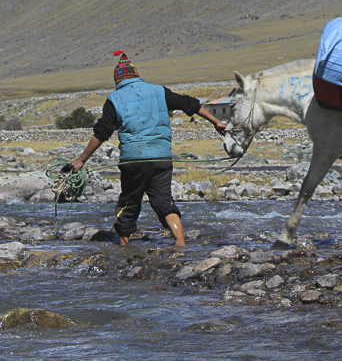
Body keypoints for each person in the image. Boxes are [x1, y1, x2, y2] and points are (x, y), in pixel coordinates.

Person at [70, 51, 227, 246]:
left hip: (133, 162)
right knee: (164, 202)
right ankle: (181, 244)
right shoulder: (158, 91)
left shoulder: (115, 98)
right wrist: (216, 122)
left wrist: (82, 159)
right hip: (162, 158)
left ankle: (123, 249)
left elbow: (102, 132)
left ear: (117, 79)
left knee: (128, 204)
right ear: (136, 75)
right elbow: (191, 104)